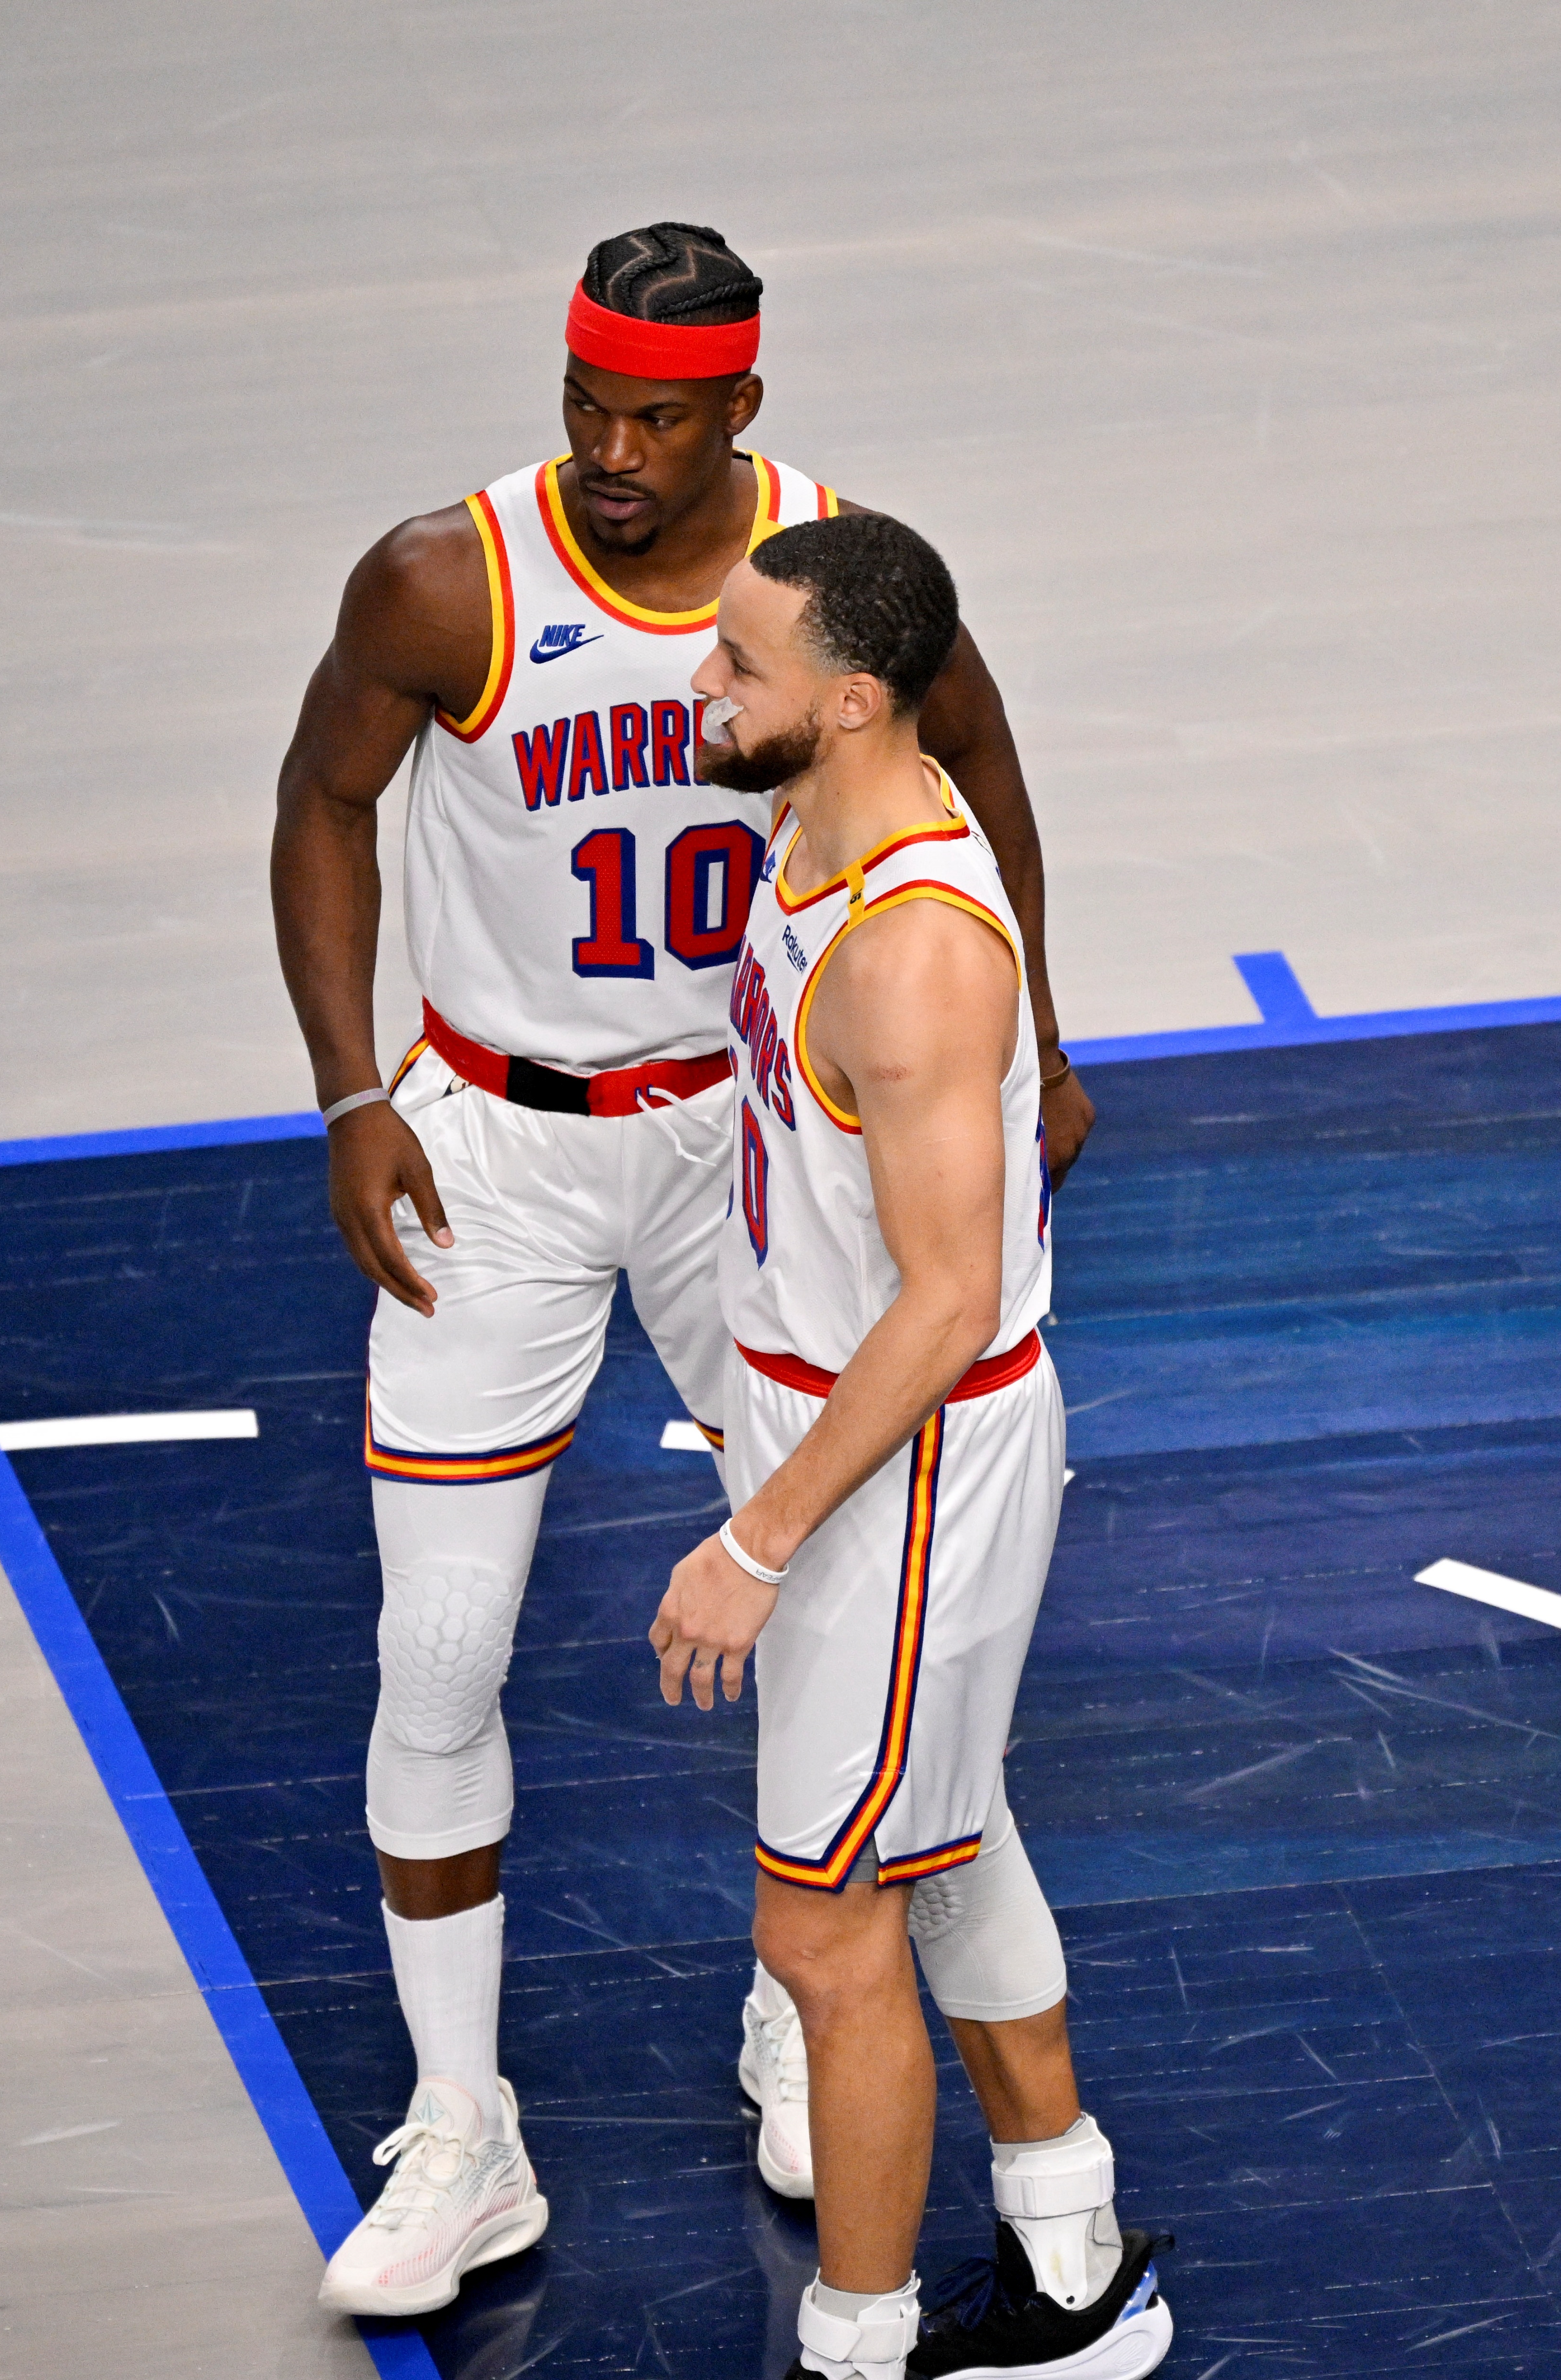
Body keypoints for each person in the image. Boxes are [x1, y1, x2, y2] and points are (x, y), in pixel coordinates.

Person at [272, 220, 1095, 2316]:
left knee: (826, 1598)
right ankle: (462, 2128)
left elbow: (979, 762)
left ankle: (803, 1999)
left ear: (741, 406)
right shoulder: (447, 579)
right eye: (585, 406)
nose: (612, 451)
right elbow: (323, 800)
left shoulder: (832, 585)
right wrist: (350, 1090)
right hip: (498, 1137)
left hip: (752, 1130)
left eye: (656, 417)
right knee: (440, 1646)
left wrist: (1038, 1035)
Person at [650, 514, 1171, 2379]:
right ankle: (1069, 2258)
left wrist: (758, 1536)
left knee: (820, 1932)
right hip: (841, 1418)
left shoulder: (913, 953)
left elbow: (944, 1301)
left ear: (856, 700)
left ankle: (853, 2348)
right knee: (941, 1838)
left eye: (740, 663)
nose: (702, 684)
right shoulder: (818, 812)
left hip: (908, 1457)